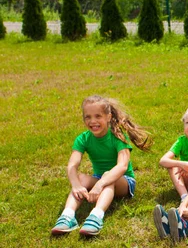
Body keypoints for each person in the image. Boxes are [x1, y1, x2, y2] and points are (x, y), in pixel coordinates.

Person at [51, 95, 152, 236]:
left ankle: (96, 216)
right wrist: (75, 184)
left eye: (98, 116)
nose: (93, 121)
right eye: (88, 117)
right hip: (99, 178)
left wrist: (100, 184)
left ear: (108, 117)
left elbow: (122, 166)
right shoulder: (83, 139)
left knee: (107, 176)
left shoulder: (118, 137)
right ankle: (67, 216)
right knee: (80, 178)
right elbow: (72, 166)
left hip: (123, 181)